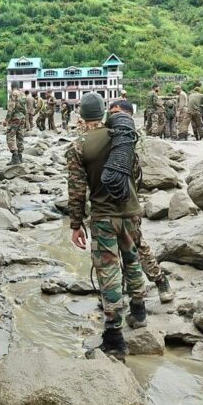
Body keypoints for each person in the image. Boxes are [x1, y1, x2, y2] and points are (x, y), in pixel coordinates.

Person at [66, 93, 148, 359]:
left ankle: (114, 336)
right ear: (103, 113)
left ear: (82, 115)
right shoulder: (122, 136)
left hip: (103, 216)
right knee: (133, 259)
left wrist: (76, 224)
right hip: (131, 211)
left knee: (109, 272)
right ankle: (139, 310)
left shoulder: (79, 146)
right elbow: (136, 173)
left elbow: (77, 191)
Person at [107, 100, 175, 304]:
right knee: (112, 254)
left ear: (127, 115)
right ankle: (121, 291)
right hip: (108, 207)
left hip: (128, 206)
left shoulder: (129, 142)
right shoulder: (109, 138)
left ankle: (160, 282)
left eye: (116, 112)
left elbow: (136, 175)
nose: (112, 116)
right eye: (110, 112)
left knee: (138, 247)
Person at [4, 88, 28, 164]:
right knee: (20, 136)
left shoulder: (13, 94)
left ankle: (15, 157)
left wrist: (6, 120)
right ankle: (20, 157)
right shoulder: (23, 94)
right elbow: (25, 108)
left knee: (10, 136)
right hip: (22, 117)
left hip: (15, 118)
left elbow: (11, 108)